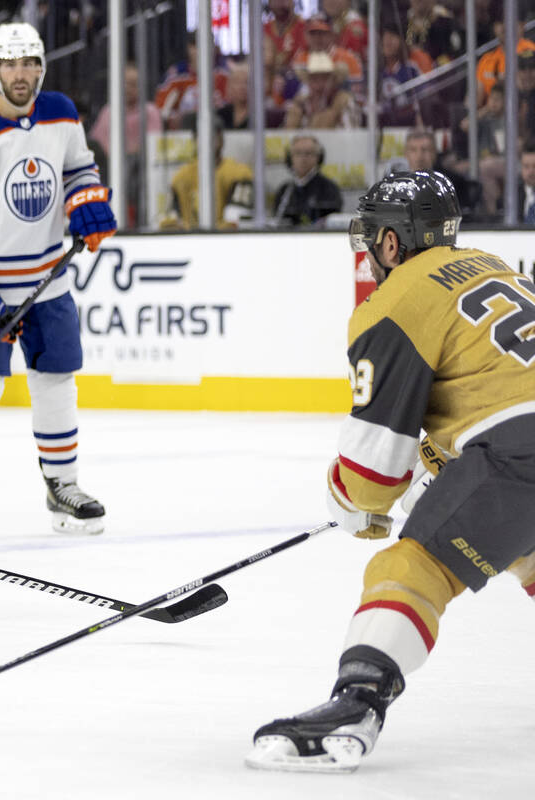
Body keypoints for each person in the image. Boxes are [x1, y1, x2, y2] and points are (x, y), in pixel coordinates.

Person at [246, 170, 535, 772]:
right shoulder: (495, 266)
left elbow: (372, 475)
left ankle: (357, 701)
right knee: (527, 547)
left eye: (374, 235)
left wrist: (351, 500)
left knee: (411, 565)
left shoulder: (397, 300)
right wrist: (441, 477)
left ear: (392, 242)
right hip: (513, 441)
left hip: (519, 449)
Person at [0, 22, 116, 543]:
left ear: (41, 67)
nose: (20, 73)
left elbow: (80, 168)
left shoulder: (61, 113)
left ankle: (64, 486)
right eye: (9, 64)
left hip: (48, 282)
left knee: (57, 384)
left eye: (29, 62)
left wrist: (87, 203)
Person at [161, 121, 254, 230]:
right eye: (201, 136)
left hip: (225, 243)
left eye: (213, 136)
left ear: (221, 140)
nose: (207, 141)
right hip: (188, 243)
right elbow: (168, 221)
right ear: (194, 140)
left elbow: (235, 221)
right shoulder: (181, 177)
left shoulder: (240, 174)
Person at [271, 134, 342, 227]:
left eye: (308, 153)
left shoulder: (329, 189)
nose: (303, 158)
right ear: (290, 158)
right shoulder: (284, 191)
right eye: (298, 153)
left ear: (318, 158)